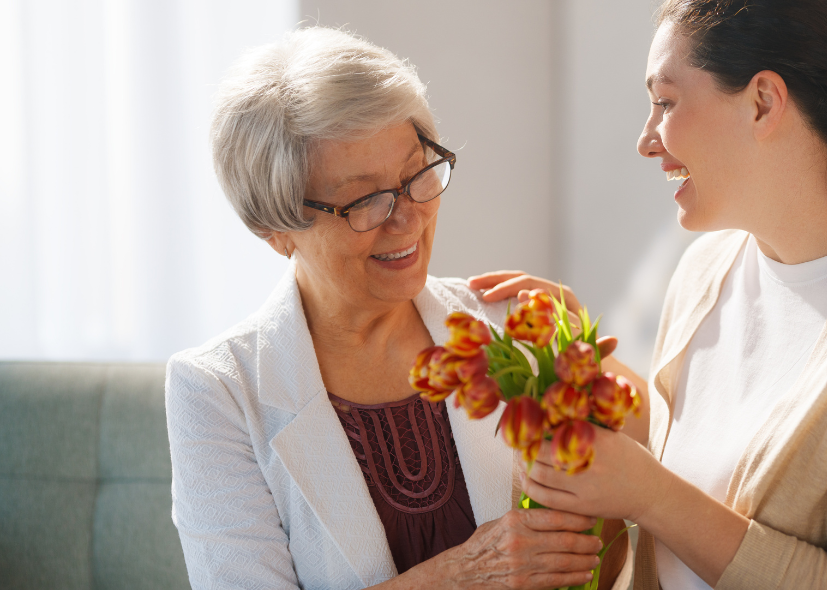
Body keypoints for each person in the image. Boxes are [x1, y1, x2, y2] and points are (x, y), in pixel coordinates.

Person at [475, 1, 827, 588]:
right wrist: (585, 367)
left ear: (763, 102)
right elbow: (711, 464)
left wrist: (650, 496)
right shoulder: (709, 268)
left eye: (666, 102)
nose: (646, 141)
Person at [166, 27, 620, 590]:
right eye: (365, 200)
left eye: (416, 175)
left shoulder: (511, 325)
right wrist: (464, 576)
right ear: (275, 230)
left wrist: (592, 378)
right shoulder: (219, 391)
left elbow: (610, 544)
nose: (407, 218)